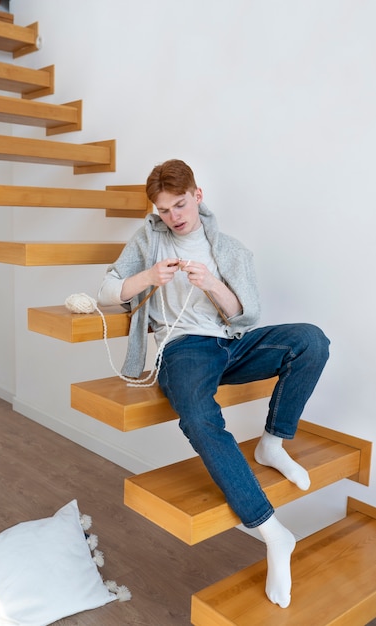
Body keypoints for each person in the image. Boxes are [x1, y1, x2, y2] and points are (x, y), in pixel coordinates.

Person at [97, 159, 330, 608]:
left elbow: (249, 313)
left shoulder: (230, 249)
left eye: (179, 205)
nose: (173, 216)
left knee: (311, 341)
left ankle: (273, 443)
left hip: (232, 342)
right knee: (200, 416)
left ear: (197, 196)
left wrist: (212, 286)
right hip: (184, 348)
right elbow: (108, 288)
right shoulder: (148, 238)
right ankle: (270, 530)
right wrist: (148, 277)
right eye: (163, 209)